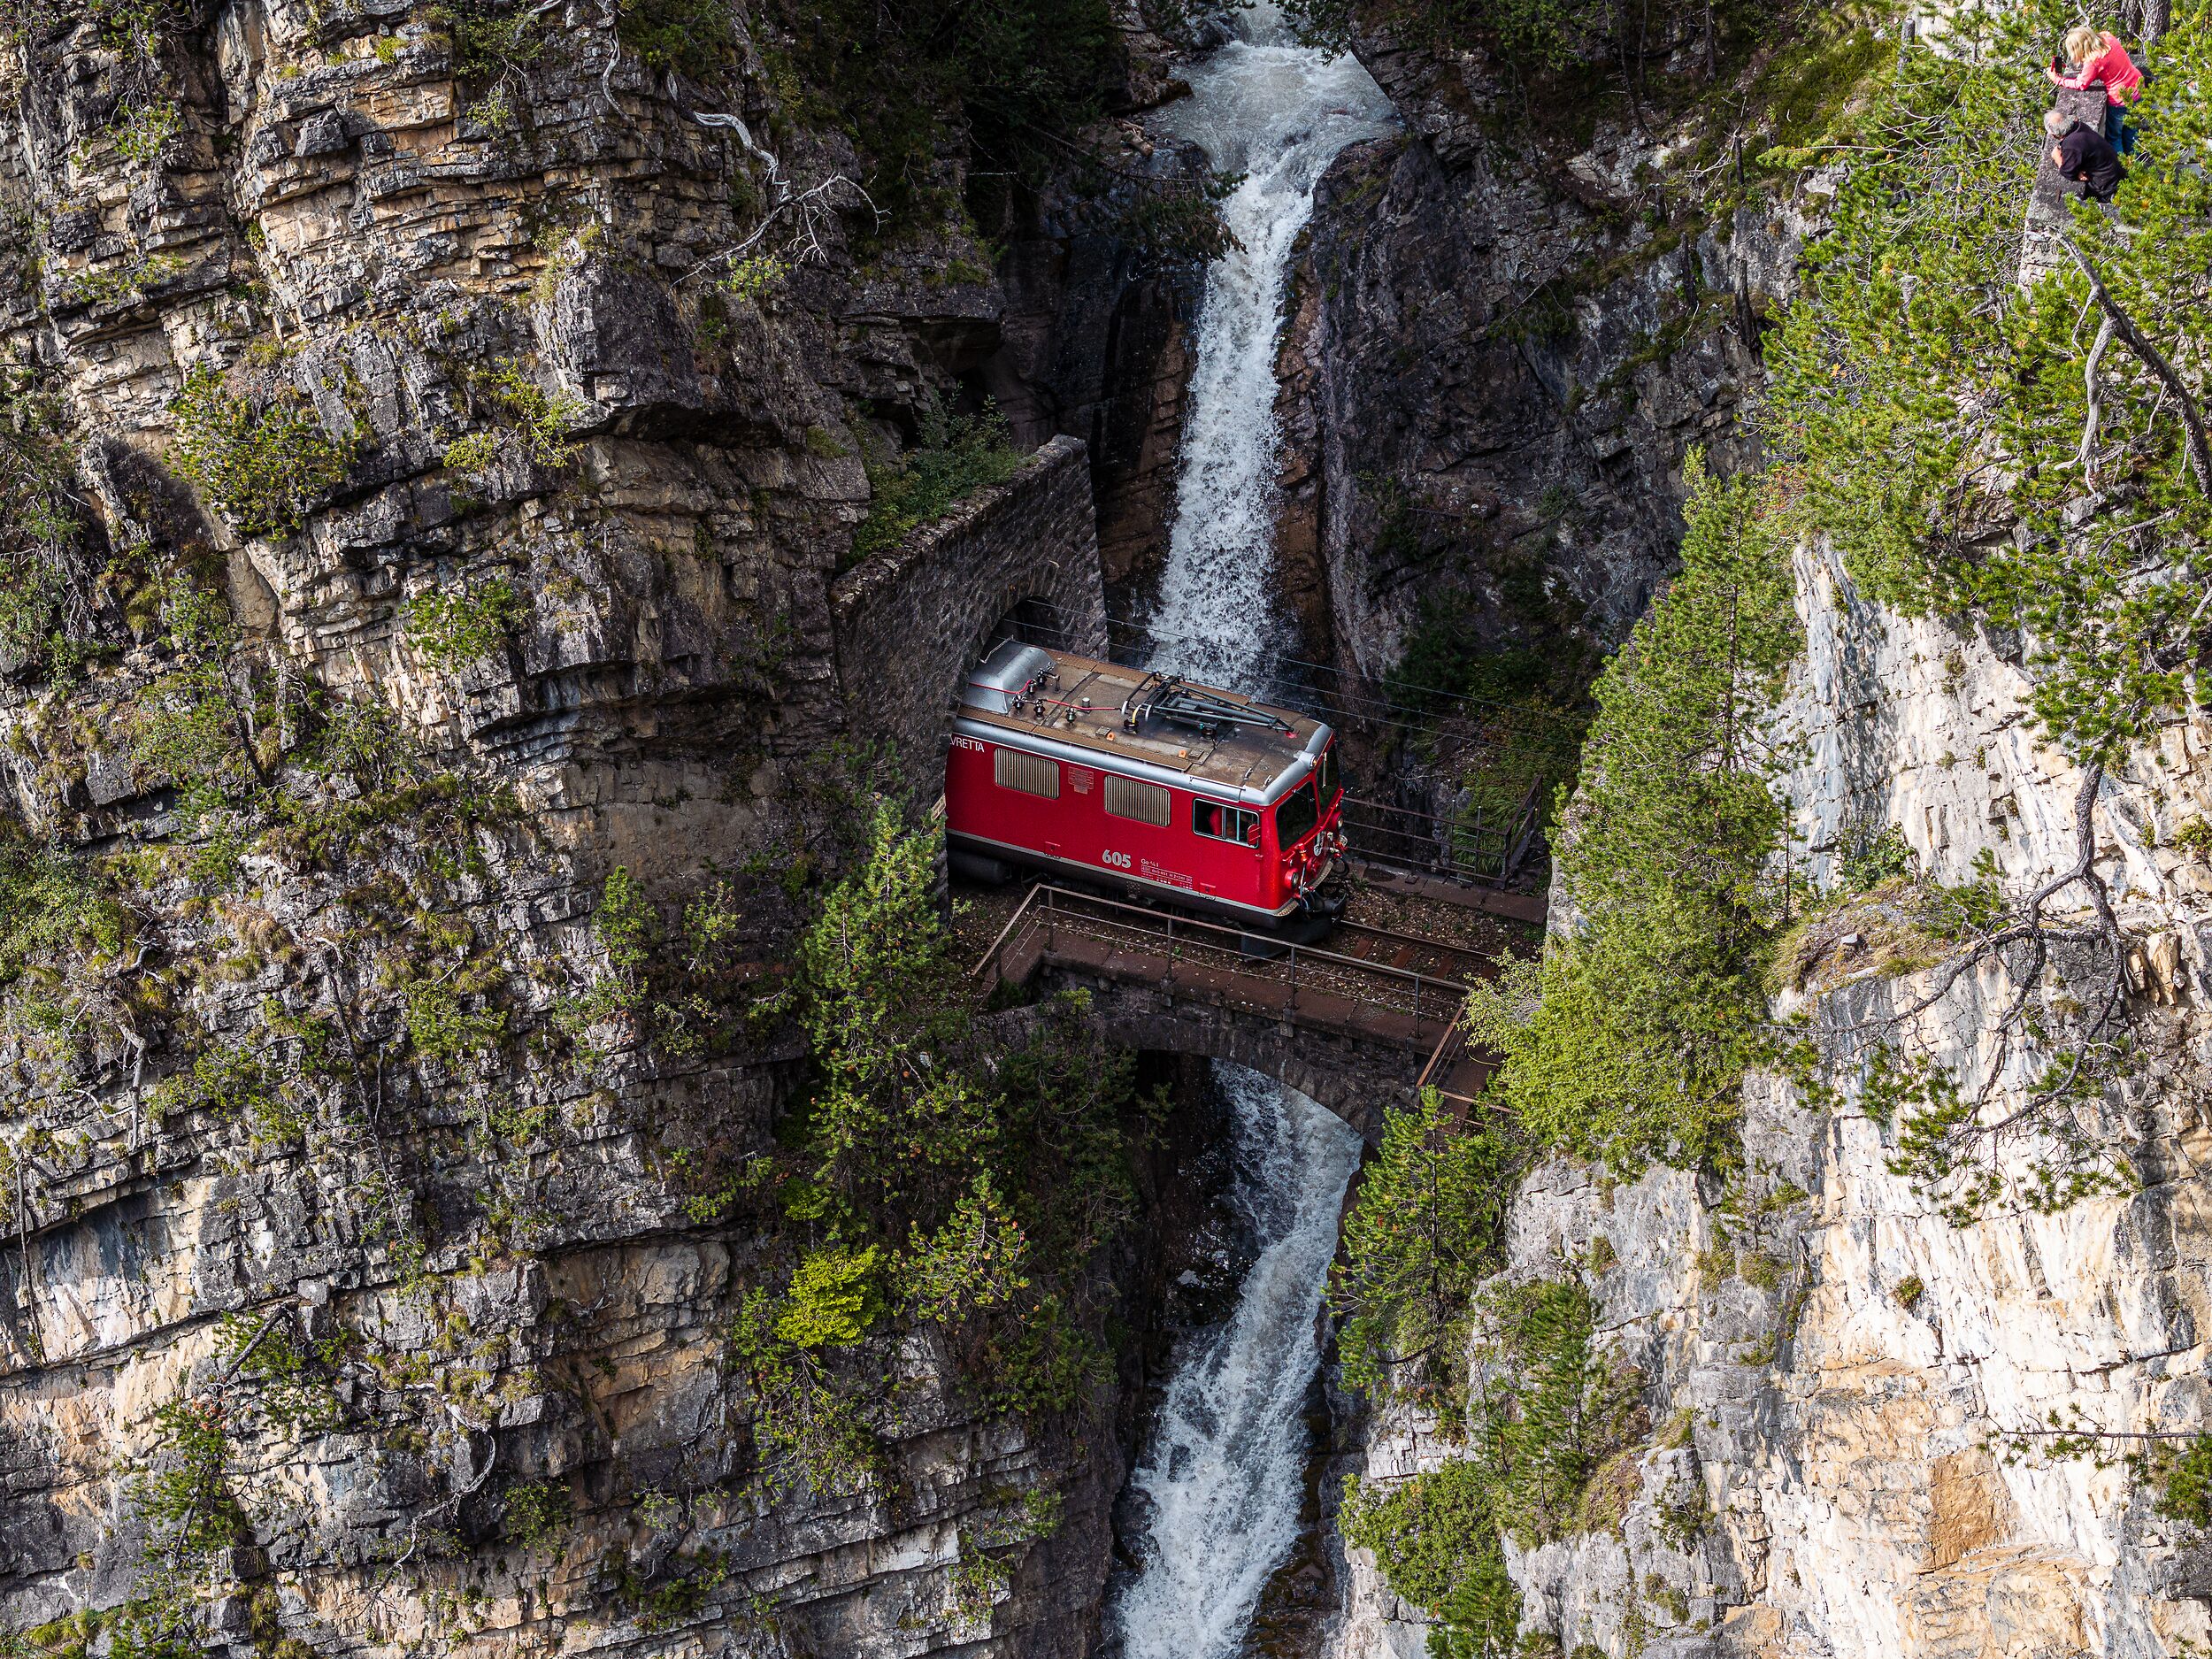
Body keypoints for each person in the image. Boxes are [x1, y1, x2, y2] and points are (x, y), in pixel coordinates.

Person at [2047, 26, 2144, 151]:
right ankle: (2136, 163)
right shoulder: (2109, 38)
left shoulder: (2093, 61)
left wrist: (2056, 79)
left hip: (2120, 99)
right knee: (2132, 132)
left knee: (2114, 137)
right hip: (2138, 86)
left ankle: (2122, 167)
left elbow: (2081, 84)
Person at [2046, 107, 2124, 202]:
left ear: (2053, 135)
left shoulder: (2072, 144)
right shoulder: (2079, 126)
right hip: (2115, 171)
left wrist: (2056, 157)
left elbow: (2068, 172)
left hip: (2107, 185)